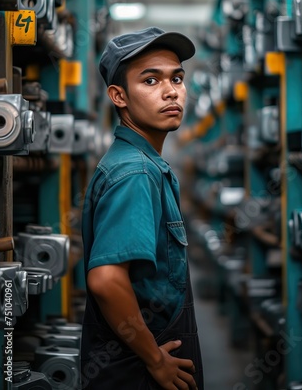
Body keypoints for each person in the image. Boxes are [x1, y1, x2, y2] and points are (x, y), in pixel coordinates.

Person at [81, 26, 204, 390]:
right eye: (150, 81)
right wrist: (155, 360)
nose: (171, 91)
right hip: (137, 371)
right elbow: (106, 280)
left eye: (177, 78)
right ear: (119, 96)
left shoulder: (143, 163)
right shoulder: (135, 172)